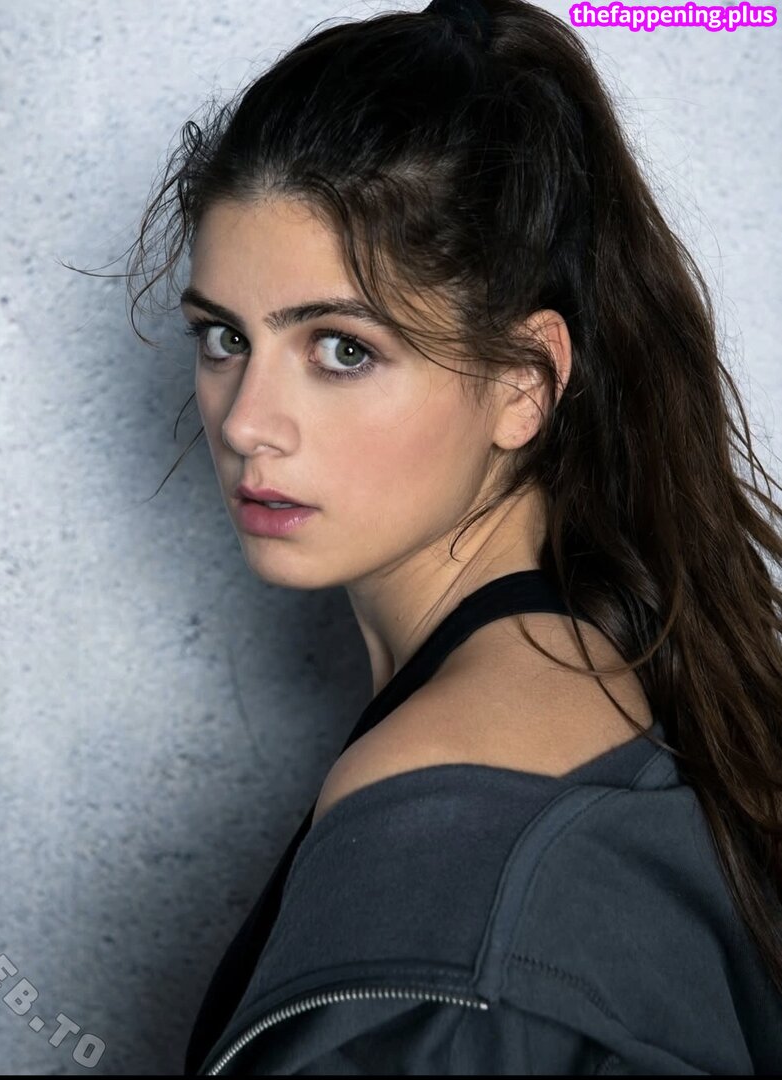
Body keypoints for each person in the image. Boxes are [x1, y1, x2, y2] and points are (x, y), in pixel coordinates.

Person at [118, 0, 782, 1072]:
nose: (244, 423)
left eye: (341, 348)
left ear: (522, 384)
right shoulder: (608, 672)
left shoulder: (452, 819)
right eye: (223, 338)